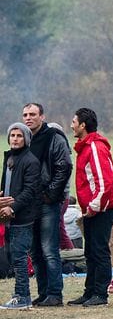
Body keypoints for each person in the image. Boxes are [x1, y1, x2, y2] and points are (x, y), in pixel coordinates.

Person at [69, 107, 113, 307]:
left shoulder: (94, 147)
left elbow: (105, 182)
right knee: (90, 250)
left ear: (83, 125)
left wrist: (93, 206)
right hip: (93, 208)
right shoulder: (86, 147)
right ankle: (89, 291)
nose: (72, 125)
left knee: (99, 250)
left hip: (102, 208)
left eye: (74, 121)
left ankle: (100, 294)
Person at [22, 103, 72, 307]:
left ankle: (54, 294)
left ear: (42, 116)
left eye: (33, 114)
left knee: (49, 249)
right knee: (35, 251)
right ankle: (43, 293)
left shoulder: (54, 137)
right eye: (25, 114)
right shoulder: (24, 139)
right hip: (28, 203)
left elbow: (64, 166)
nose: (28, 118)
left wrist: (51, 194)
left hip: (47, 203)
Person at [0, 122, 41, 309]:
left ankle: (22, 297)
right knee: (11, 255)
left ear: (26, 139)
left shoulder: (30, 161)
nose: (15, 139)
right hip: (7, 216)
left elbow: (30, 190)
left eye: (19, 135)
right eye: (12, 135)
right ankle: (20, 295)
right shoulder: (9, 158)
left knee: (19, 257)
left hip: (22, 217)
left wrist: (13, 207)